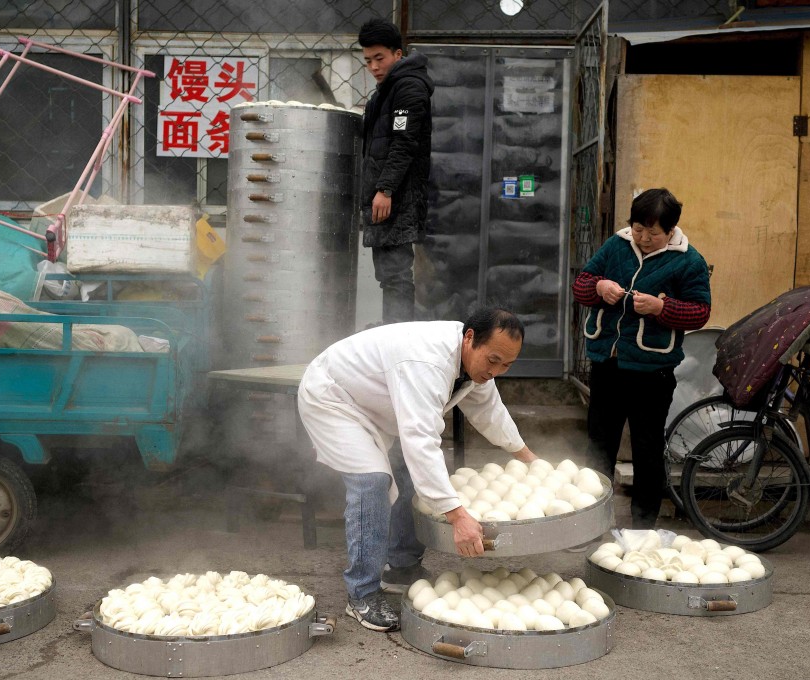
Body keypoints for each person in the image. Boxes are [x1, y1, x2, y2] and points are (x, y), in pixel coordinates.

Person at [297, 307, 538, 632]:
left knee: (412, 472)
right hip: (333, 399)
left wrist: (526, 457)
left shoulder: (475, 364)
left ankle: (402, 566)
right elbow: (421, 439)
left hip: (371, 407)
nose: (496, 370)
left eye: (506, 365)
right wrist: (457, 516)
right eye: (493, 360)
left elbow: (489, 411)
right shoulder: (427, 362)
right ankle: (362, 595)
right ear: (470, 339)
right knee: (372, 482)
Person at [572, 187, 711, 530]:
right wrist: (599, 287)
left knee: (647, 452)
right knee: (598, 447)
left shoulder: (688, 261)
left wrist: (663, 308)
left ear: (671, 231)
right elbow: (582, 284)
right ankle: (589, 522)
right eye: (638, 229)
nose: (645, 238)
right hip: (608, 365)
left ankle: (642, 529)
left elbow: (699, 312)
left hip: (652, 373)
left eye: (654, 233)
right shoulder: (616, 246)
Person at [358, 18, 433, 324]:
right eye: (368, 60)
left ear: (398, 54)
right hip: (387, 196)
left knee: (396, 274)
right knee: (389, 275)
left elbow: (404, 143)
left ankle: (398, 339)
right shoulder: (386, 92)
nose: (374, 66)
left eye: (380, 58)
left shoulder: (408, 88)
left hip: (397, 197)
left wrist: (385, 189)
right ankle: (392, 335)